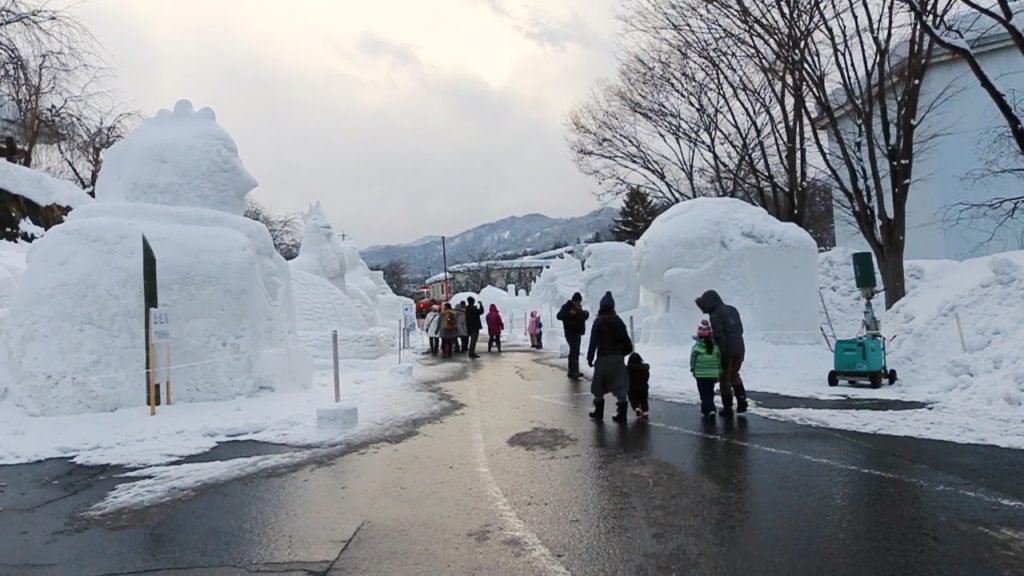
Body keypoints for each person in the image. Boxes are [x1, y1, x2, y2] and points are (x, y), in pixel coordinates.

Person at [695, 290, 747, 416]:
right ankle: (742, 401)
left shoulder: (715, 315)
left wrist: (721, 354)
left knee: (725, 378)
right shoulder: (732, 309)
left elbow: (720, 337)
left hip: (727, 351)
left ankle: (728, 408)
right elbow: (740, 329)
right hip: (740, 349)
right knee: (735, 375)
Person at [586, 291, 633, 422]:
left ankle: (598, 412)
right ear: (613, 307)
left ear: (601, 307)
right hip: (617, 359)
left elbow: (593, 342)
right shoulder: (619, 322)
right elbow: (628, 344)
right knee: (620, 385)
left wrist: (590, 358)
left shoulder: (598, 322)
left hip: (603, 359)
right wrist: (621, 354)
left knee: (598, 385)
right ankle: (622, 414)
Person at [690, 319, 722, 419]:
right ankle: (707, 409)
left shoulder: (696, 348)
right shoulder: (715, 347)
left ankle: (710, 410)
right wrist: (718, 372)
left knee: (703, 393)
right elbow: (718, 360)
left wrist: (693, 370)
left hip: (700, 374)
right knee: (709, 391)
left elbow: (693, 360)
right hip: (712, 374)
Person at [556, 292, 590, 379]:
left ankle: (572, 370)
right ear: (573, 300)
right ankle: (575, 371)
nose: (578, 303)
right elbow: (559, 316)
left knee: (574, 351)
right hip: (570, 333)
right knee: (574, 350)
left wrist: (585, 313)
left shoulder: (578, 308)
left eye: (579, 302)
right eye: (577, 302)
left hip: (577, 332)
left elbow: (581, 317)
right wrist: (569, 314)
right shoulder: (567, 307)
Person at [626, 352, 650, 419]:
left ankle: (636, 408)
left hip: (632, 389)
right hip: (643, 388)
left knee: (633, 400)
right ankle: (645, 411)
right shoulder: (645, 369)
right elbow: (647, 377)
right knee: (643, 400)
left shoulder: (628, 369)